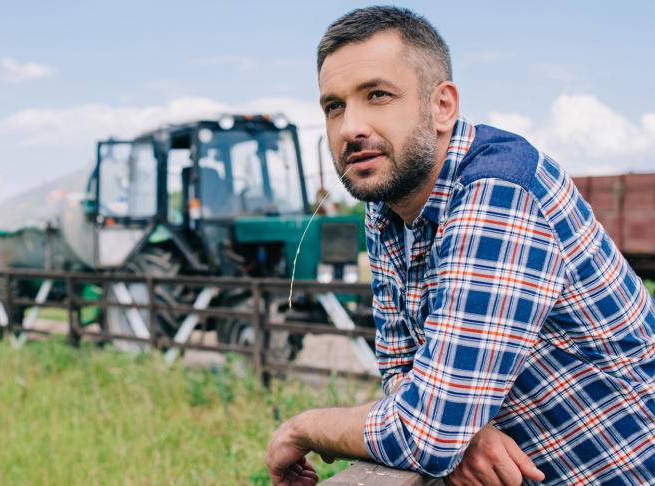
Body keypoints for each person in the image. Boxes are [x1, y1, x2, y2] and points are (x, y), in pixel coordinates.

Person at [265, 6, 655, 486]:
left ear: (442, 106)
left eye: (378, 95)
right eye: (334, 106)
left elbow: (427, 430)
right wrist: (465, 430)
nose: (350, 128)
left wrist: (304, 427)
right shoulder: (387, 206)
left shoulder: (497, 192)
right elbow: (402, 370)